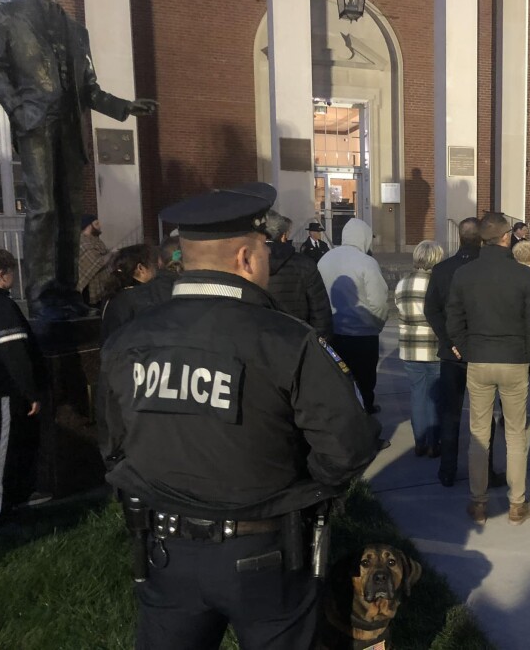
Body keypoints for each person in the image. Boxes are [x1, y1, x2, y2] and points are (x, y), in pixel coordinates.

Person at [98, 183, 380, 648]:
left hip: (164, 549)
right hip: (265, 554)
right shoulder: (288, 340)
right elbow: (347, 446)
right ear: (246, 258)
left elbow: (113, 444)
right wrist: (303, 487)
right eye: (264, 250)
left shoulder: (129, 339)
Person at [0, 0, 157, 321]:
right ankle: (41, 294)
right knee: (43, 208)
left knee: (70, 213)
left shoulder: (76, 30)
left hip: (70, 128)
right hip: (35, 124)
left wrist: (124, 106)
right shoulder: (6, 16)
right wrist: (18, 109)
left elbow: (89, 89)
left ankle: (67, 292)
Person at [447, 212, 530, 526]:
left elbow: (454, 317)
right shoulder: (522, 274)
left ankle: (479, 503)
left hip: (479, 358)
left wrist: (466, 347)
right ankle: (517, 504)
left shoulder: (465, 273)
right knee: (515, 434)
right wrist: (527, 352)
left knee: (479, 433)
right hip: (513, 358)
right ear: (506, 237)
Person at [423, 218, 505, 489]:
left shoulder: (442, 269)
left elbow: (431, 309)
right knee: (484, 415)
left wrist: (449, 341)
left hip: (452, 352)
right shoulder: (487, 268)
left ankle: (447, 470)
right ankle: (485, 470)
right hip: (481, 349)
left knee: (451, 413)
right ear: (481, 238)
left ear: (459, 237)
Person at [0, 248, 48, 530]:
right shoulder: (2, 306)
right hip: (3, 390)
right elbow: (14, 353)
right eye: (12, 271)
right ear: (2, 274)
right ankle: (0, 512)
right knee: (2, 452)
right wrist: (30, 392)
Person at [318, 218, 388, 414]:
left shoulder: (325, 259)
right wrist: (377, 324)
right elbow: (378, 301)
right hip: (362, 334)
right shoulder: (366, 262)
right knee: (365, 380)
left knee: (338, 379)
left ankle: (343, 416)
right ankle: (365, 414)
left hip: (332, 332)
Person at [395, 240, 444, 457]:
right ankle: (434, 442)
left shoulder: (402, 283)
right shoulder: (437, 284)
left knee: (417, 394)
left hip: (410, 346)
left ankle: (420, 441)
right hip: (433, 345)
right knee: (435, 396)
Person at [265, 212, 333, 340]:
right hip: (298, 337)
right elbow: (320, 312)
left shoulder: (246, 263)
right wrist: (320, 342)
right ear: (284, 236)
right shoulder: (304, 261)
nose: (318, 234)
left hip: (263, 338)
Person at [100, 238, 181, 342]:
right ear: (141, 268)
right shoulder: (139, 297)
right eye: (153, 266)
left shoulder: (114, 295)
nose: (156, 271)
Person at [77, 215, 112, 308]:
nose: (100, 226)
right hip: (88, 287)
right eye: (96, 224)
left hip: (101, 284)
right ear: (89, 226)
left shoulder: (96, 240)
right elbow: (97, 262)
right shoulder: (83, 242)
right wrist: (111, 254)